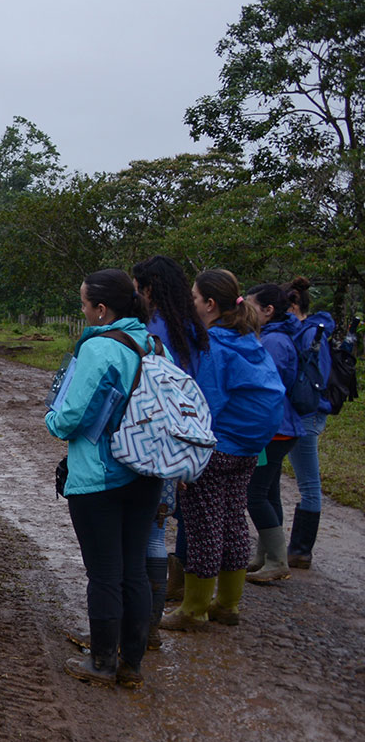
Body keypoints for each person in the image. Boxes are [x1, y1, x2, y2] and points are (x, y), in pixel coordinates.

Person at [46, 270, 161, 688]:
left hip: (100, 476)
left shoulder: (98, 347)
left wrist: (51, 419)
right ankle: (131, 662)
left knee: (104, 572)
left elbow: (72, 416)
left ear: (100, 309)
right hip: (146, 472)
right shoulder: (154, 344)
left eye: (83, 304)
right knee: (133, 569)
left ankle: (100, 663)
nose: (81, 311)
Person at [160, 270, 283, 631]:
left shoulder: (215, 344)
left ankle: (193, 609)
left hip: (218, 447)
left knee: (202, 527)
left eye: (195, 298)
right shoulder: (248, 339)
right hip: (248, 449)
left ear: (210, 305)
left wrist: (184, 456)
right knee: (231, 523)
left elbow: (205, 403)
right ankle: (227, 604)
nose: (192, 304)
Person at [132, 255, 208, 642]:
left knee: (137, 534)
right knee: (157, 531)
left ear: (147, 289)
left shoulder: (151, 331)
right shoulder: (192, 331)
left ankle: (139, 627)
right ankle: (152, 626)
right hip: (177, 444)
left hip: (148, 443)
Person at [243, 282, 304, 582]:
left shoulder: (274, 342)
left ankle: (277, 560)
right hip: (279, 427)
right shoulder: (275, 337)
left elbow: (267, 386)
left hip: (275, 429)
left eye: (251, 307)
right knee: (268, 491)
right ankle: (265, 555)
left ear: (268, 310)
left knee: (254, 494)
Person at [284, 277, 335, 568]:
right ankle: (298, 549)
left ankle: (301, 549)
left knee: (309, 483)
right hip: (311, 411)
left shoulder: (310, 334)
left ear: (293, 305)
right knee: (308, 480)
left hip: (307, 413)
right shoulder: (313, 331)